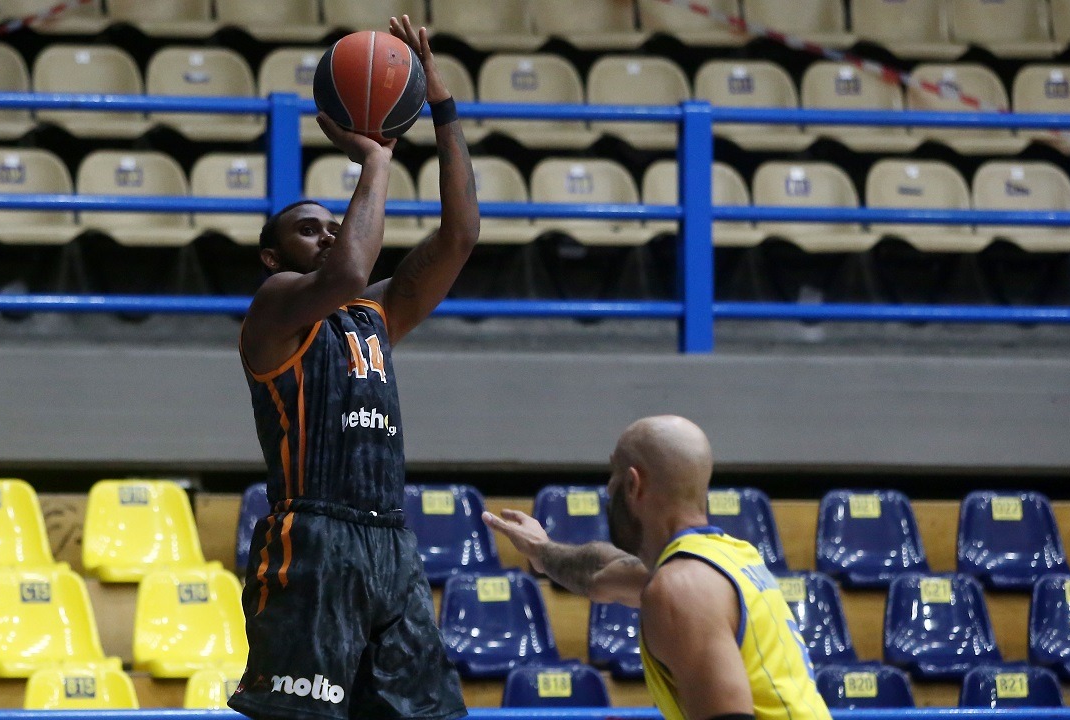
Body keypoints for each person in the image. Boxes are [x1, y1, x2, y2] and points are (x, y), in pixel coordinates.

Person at [227, 15, 477, 720]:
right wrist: (376, 159)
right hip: (311, 543)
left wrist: (442, 107)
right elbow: (346, 272)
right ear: (273, 257)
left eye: (334, 225)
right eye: (308, 229)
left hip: (389, 543)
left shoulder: (375, 313)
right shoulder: (275, 307)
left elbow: (460, 236)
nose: (328, 232)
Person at [483, 416, 832, 720]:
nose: (608, 488)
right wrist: (542, 551)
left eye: (613, 474)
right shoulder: (729, 558)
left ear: (633, 484)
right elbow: (601, 573)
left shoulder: (682, 590)